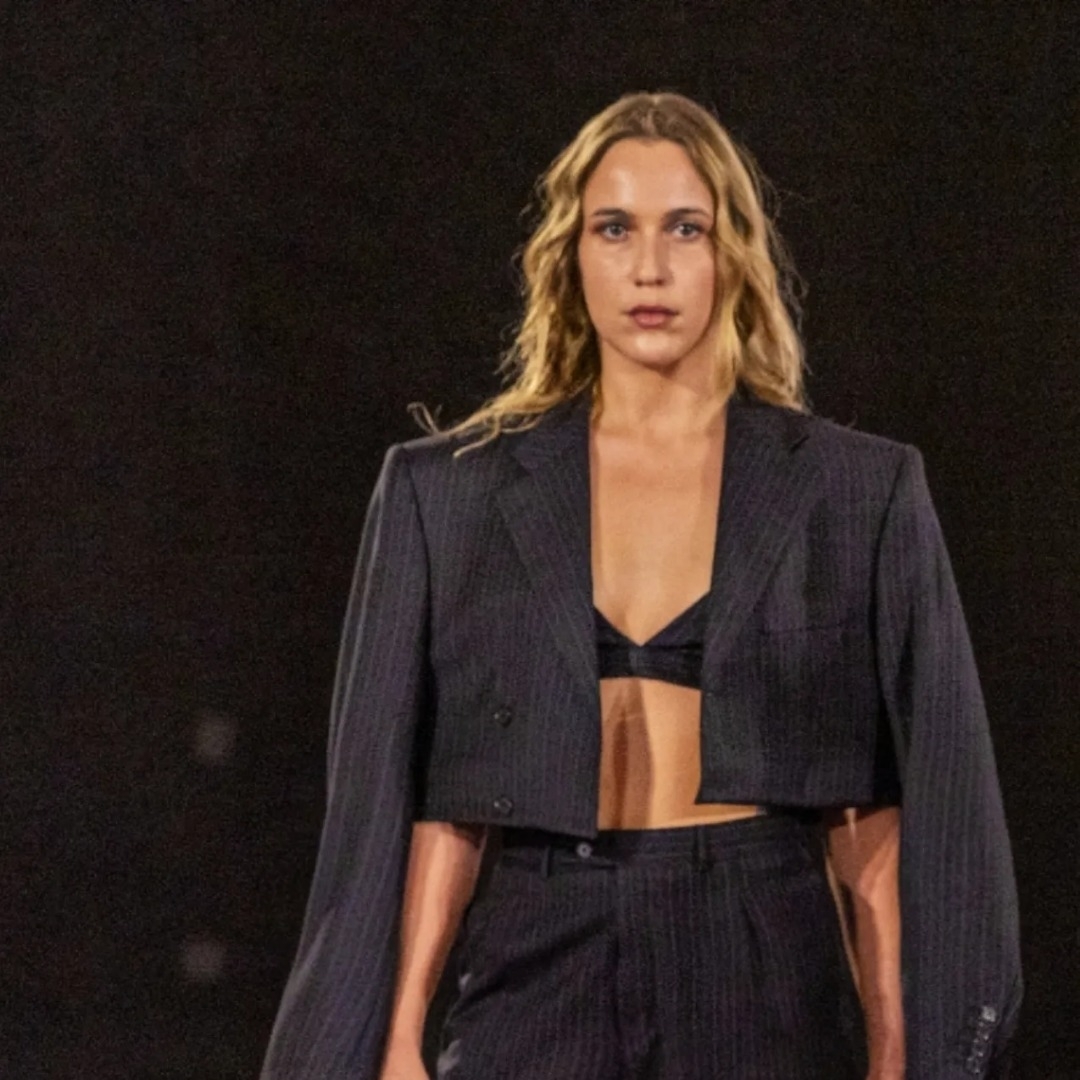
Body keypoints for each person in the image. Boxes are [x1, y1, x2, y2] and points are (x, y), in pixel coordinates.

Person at [260, 92, 1021, 1079]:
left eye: (685, 228)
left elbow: (879, 810)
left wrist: (895, 1051)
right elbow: (428, 801)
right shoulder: (450, 492)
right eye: (614, 228)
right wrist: (396, 1039)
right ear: (569, 255)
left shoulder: (854, 491)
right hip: (539, 947)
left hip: (758, 950)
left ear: (731, 252)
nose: (649, 267)